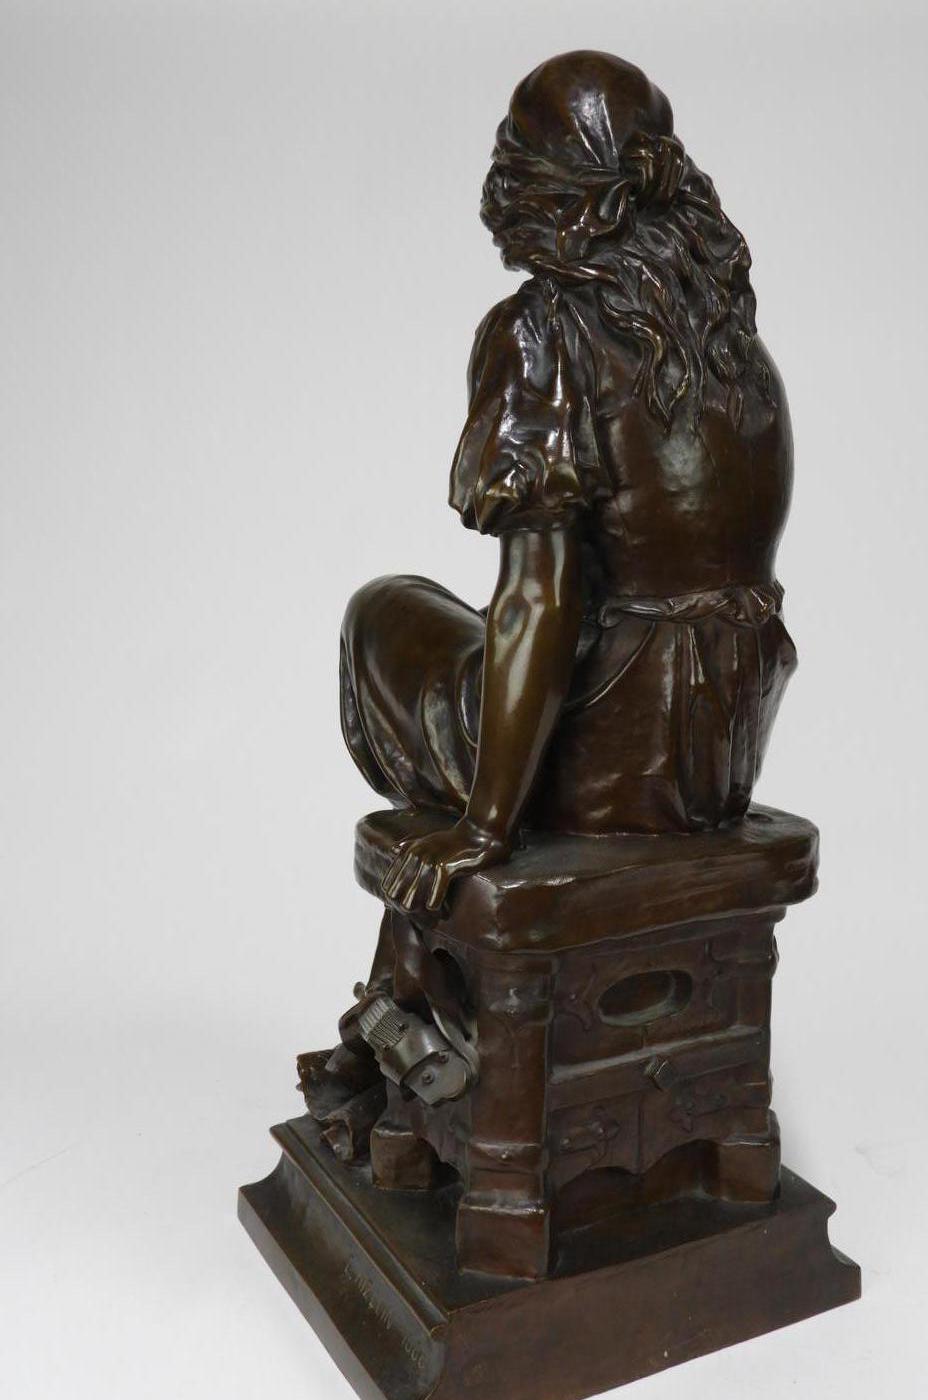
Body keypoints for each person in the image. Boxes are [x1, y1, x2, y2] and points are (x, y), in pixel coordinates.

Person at [341, 49, 798, 921]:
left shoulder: (542, 332)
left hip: (611, 757)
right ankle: (420, 970)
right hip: (720, 758)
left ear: (539, 188)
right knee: (449, 617)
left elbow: (537, 599)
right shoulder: (734, 346)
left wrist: (485, 825)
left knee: (384, 612)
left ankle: (429, 958)